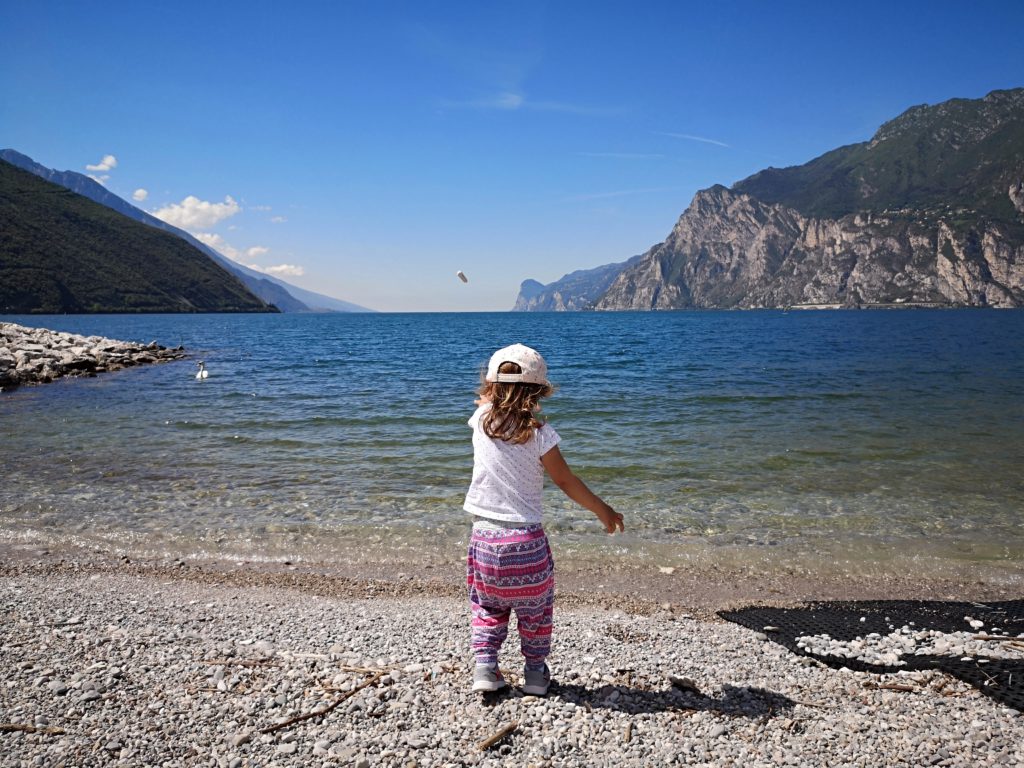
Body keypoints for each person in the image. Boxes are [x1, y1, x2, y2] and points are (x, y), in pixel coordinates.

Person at [464, 343, 624, 695]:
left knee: (488, 608)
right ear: (539, 391)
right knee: (535, 615)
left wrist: (492, 397)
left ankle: (486, 669)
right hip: (527, 544)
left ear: (489, 386)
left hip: (486, 542)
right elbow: (565, 481)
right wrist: (603, 510)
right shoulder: (540, 434)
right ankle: (535, 674)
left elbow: (485, 406)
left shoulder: (479, 421)